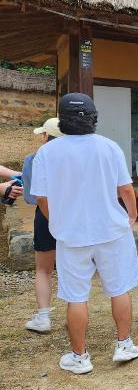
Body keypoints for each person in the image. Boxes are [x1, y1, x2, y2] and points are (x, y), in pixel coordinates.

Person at [30, 93, 138, 374]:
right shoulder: (109, 147)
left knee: (76, 296)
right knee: (119, 288)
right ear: (94, 119)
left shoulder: (47, 152)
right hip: (112, 230)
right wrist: (132, 213)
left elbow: (41, 197)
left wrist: (55, 220)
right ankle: (124, 343)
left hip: (71, 234)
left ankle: (79, 356)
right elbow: (125, 189)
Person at [21, 117, 62, 333]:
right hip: (72, 216)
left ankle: (43, 317)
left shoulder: (33, 159)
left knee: (43, 270)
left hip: (45, 217)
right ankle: (76, 313)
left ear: (46, 136)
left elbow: (31, 196)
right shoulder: (74, 158)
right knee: (73, 268)